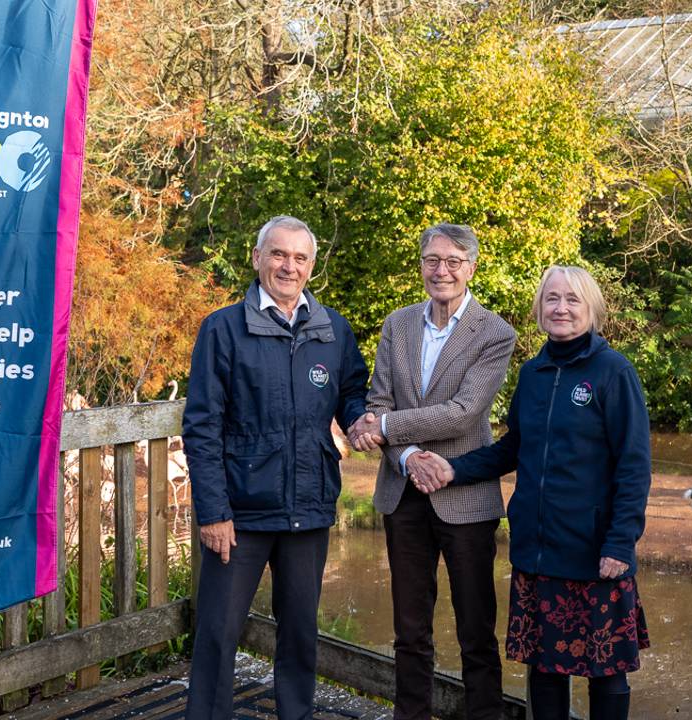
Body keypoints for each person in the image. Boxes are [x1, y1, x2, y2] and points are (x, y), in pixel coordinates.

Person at [414, 265, 652, 720]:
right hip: (539, 550)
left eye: (572, 299)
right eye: (552, 299)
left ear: (592, 309)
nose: (561, 308)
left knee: (606, 671)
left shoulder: (614, 372)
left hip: (597, 552)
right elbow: (511, 449)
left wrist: (621, 541)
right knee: (545, 668)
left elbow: (634, 465)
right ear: (539, 309)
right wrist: (452, 469)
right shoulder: (534, 372)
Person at [182, 215, 370, 720]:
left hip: (309, 506)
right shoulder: (223, 329)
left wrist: (360, 423)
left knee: (300, 633)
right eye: (279, 254)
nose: (289, 266)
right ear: (258, 258)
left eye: (300, 257)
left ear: (312, 267)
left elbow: (352, 394)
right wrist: (213, 511)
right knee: (219, 632)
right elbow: (201, 427)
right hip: (239, 514)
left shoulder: (333, 330)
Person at [346, 223, 516, 720]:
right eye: (432, 260)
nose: (441, 270)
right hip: (403, 493)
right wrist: (406, 456)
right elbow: (377, 397)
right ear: (421, 263)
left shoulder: (494, 333)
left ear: (472, 268)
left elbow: (464, 412)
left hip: (465, 495)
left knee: (476, 631)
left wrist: (388, 426)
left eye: (453, 261)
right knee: (410, 630)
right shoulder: (397, 324)